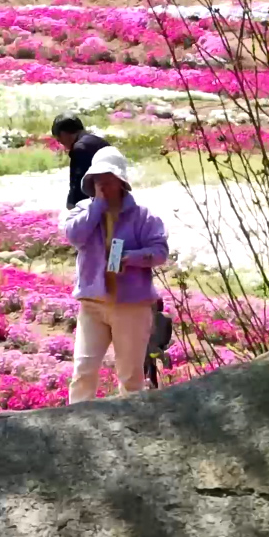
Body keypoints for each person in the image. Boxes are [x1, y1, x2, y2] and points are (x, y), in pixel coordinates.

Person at [60, 147, 169, 402]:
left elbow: (160, 252)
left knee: (130, 377)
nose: (103, 185)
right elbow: (74, 236)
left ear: (121, 182)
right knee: (83, 371)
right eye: (98, 180)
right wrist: (97, 206)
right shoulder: (82, 211)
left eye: (109, 180)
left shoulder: (143, 216)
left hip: (131, 306)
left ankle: (132, 423)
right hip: (92, 304)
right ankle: (77, 421)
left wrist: (131, 258)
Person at [52, 114, 110, 209]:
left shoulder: (79, 148)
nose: (61, 143)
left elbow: (78, 184)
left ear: (63, 134)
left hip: (99, 204)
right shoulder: (100, 141)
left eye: (59, 139)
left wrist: (72, 206)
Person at [144, 299, 173, 390]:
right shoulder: (167, 317)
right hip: (160, 347)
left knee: (148, 364)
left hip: (148, 348)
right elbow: (168, 335)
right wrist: (164, 345)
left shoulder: (146, 318)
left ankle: (151, 385)